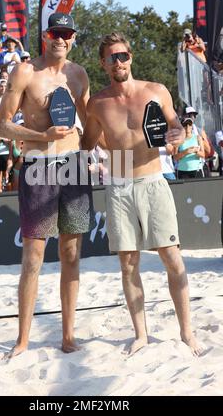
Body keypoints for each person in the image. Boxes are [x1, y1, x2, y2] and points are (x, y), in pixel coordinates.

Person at [81, 32, 203, 356]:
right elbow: (88, 142)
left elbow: (176, 127)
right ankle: (141, 335)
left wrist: (177, 135)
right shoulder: (98, 102)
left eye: (123, 55)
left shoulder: (156, 91)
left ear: (131, 57)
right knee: (128, 264)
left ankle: (187, 333)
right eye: (112, 57)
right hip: (119, 184)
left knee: (172, 258)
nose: (118, 61)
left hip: (152, 178)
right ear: (103, 63)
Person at [0, 12, 95, 358]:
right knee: (33, 257)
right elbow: (2, 126)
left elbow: (90, 124)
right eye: (56, 31)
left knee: (71, 254)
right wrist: (42, 135)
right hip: (39, 166)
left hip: (74, 166)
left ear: (72, 38)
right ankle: (22, 340)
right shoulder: (25, 71)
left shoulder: (78, 74)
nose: (61, 38)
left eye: (67, 33)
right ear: (45, 34)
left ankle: (68, 336)